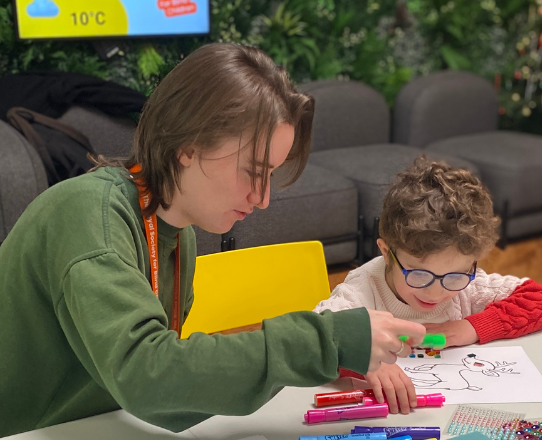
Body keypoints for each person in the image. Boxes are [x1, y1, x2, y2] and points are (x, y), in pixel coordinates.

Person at [0, 43, 426, 437]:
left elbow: (169, 388)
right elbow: (147, 376)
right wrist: (323, 341)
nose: (261, 199)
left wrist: (327, 360)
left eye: (270, 176)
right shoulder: (89, 217)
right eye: (251, 170)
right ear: (189, 144)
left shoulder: (178, 230)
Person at [314, 157, 542, 415]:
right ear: (387, 253)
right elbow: (315, 337)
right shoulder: (364, 289)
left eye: (455, 277)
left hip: (454, 410)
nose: (436, 293)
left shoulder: (467, 286)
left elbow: (541, 302)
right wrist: (362, 355)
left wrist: (470, 327)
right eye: (419, 275)